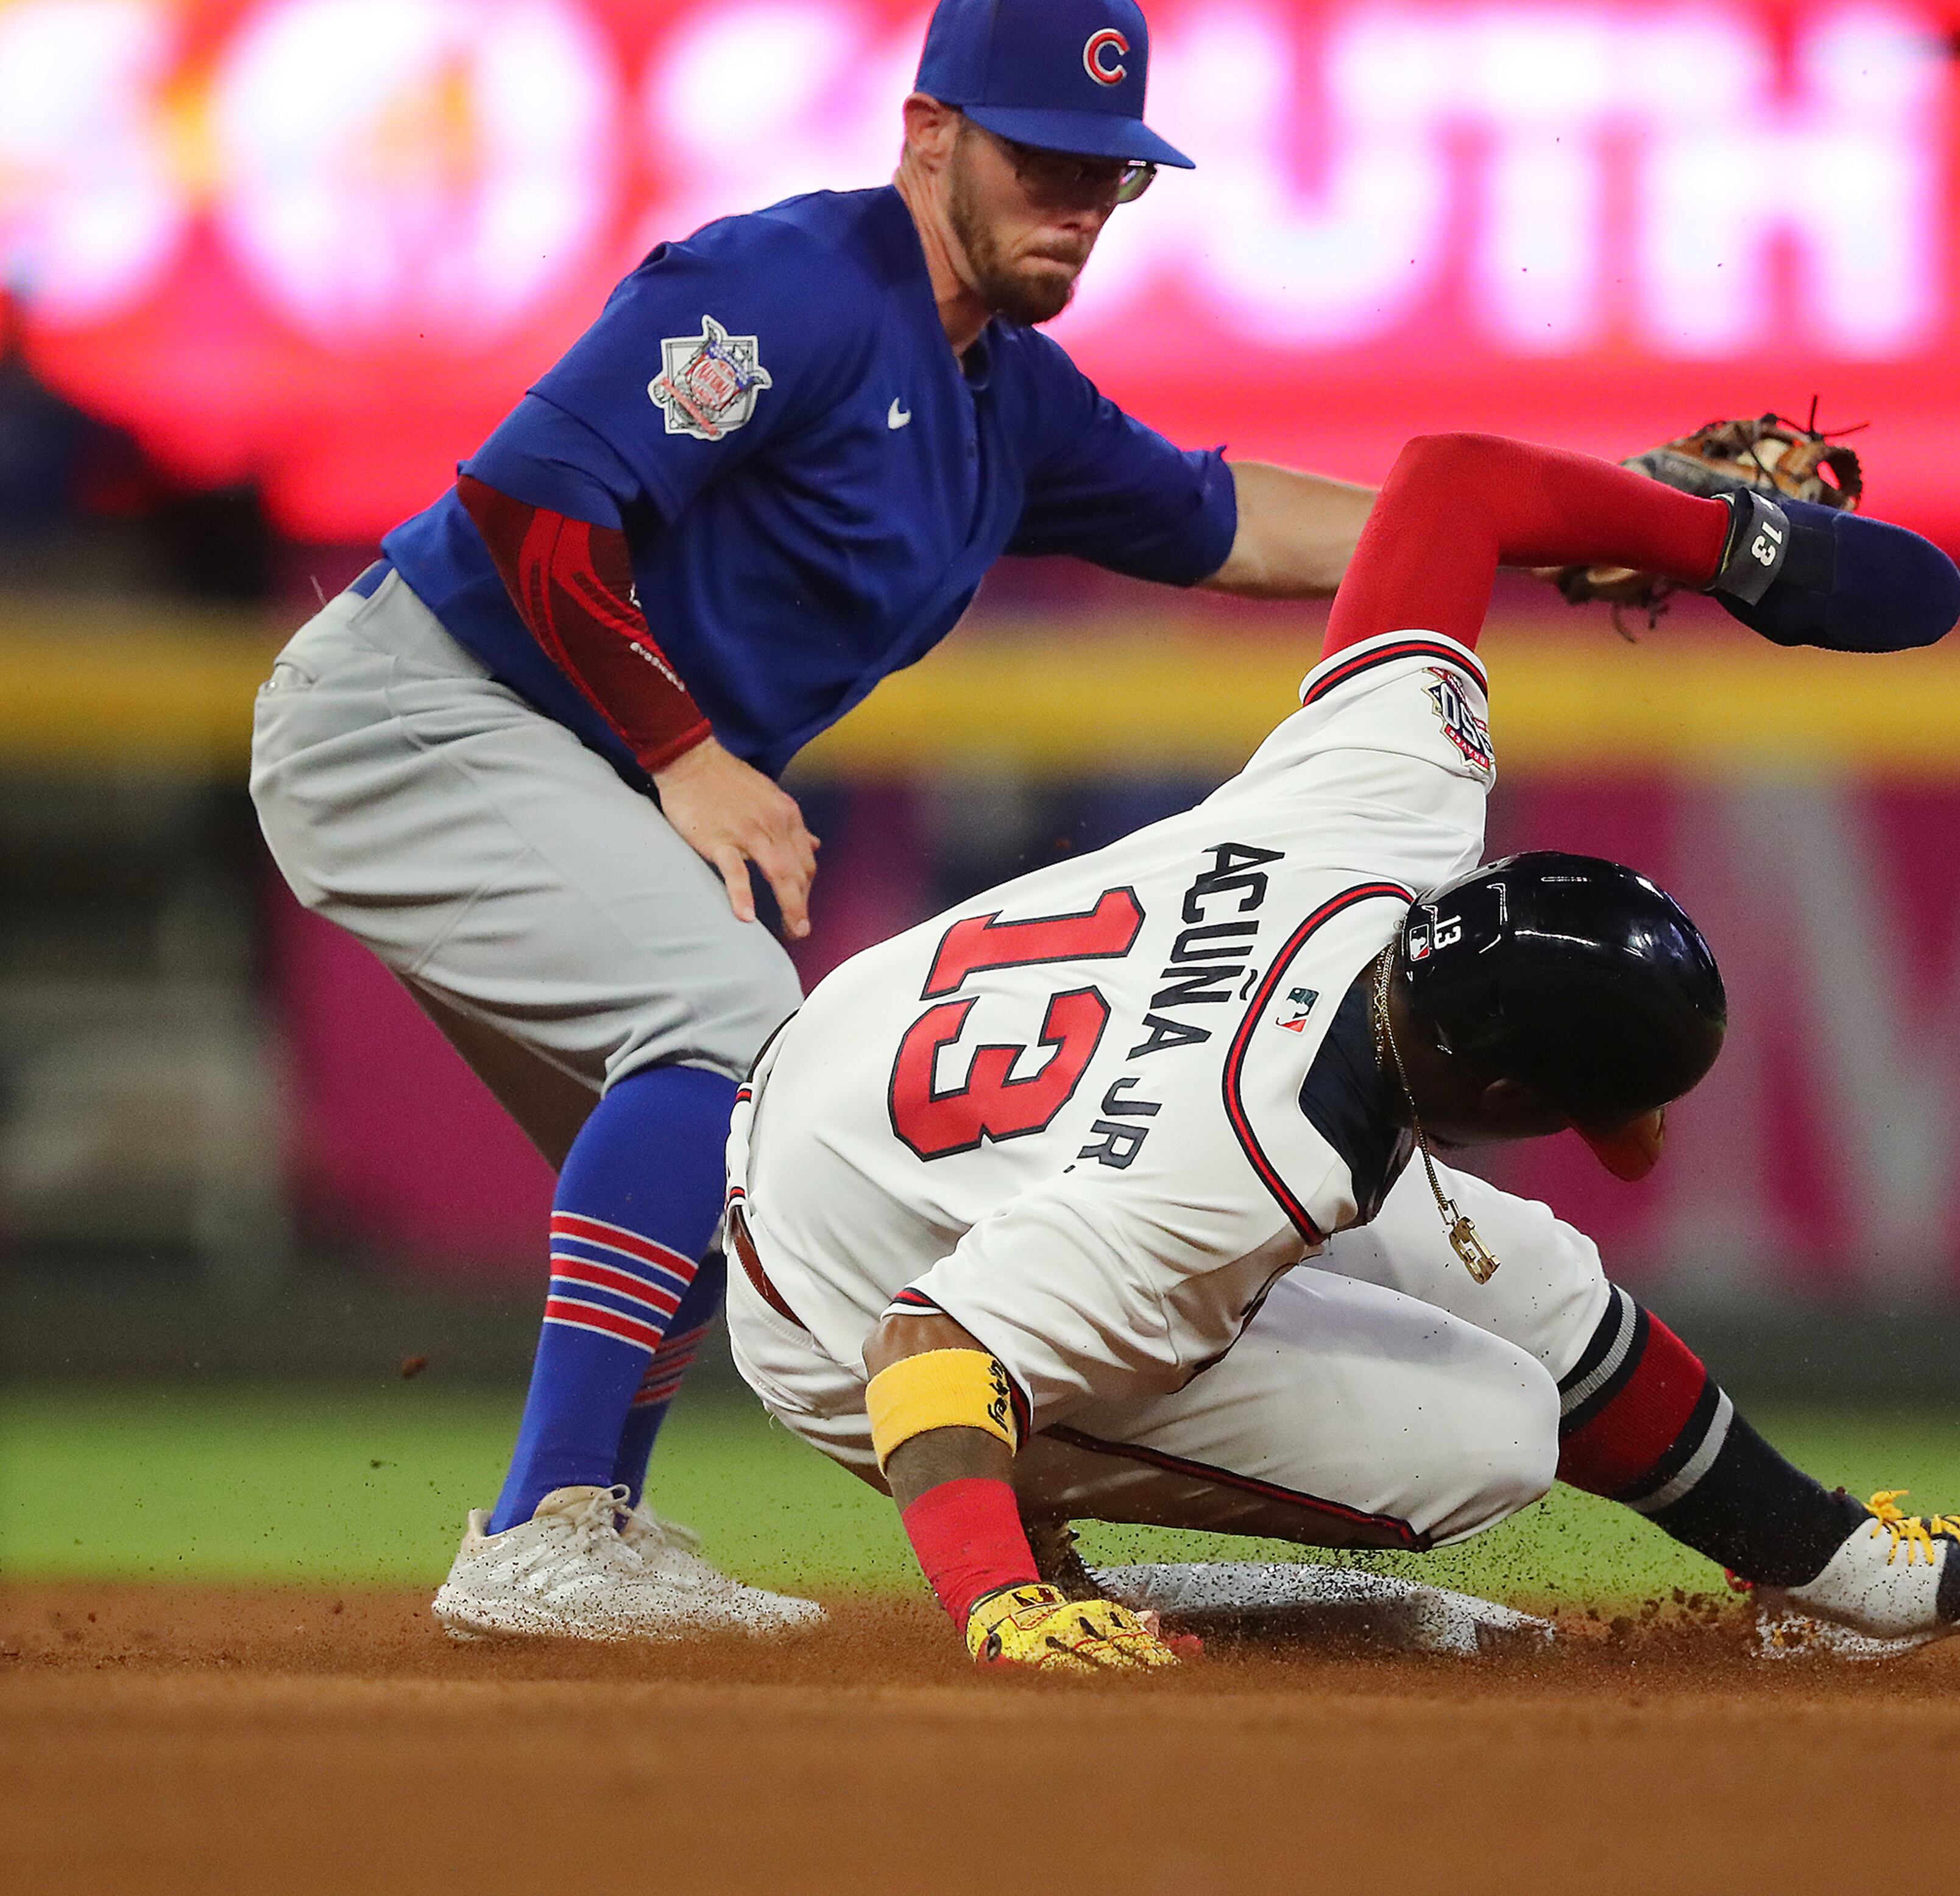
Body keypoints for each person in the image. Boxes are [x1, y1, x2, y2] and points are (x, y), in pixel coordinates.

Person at [249, 0, 1383, 1641]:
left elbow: (1239, 519)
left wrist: (1543, 522)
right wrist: (686, 752)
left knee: (752, 1155)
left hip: (543, 752)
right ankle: (549, 1532)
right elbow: (532, 507)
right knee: (732, 1031)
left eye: (1110, 171)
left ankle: (580, 1529)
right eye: (1042, 155)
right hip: (421, 712)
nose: (1077, 196)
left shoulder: (1009, 399)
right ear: (930, 135)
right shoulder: (795, 286)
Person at [723, 431, 1960, 1670]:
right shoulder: (1221, 1177)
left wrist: (1739, 546)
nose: (1622, 1134)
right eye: (1603, 1106)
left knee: (1533, 1278)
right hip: (837, 1282)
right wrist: (993, 1600)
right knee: (1489, 1434)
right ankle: (1067, 1564)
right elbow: (928, 1341)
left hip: (870, 1055)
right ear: (1510, 1093)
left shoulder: (1390, 809)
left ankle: (1842, 1572)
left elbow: (1451, 479)